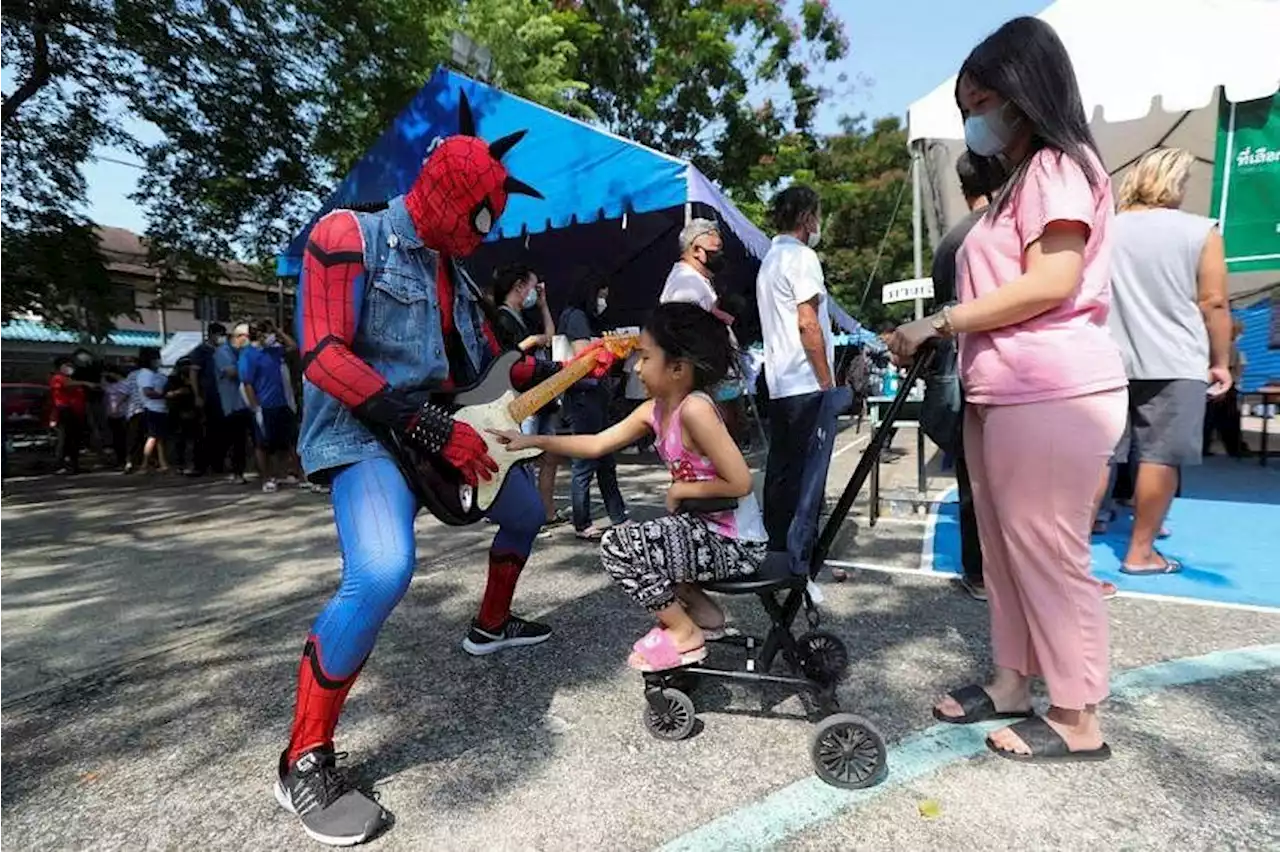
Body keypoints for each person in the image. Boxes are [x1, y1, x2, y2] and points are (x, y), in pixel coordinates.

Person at [279, 99, 610, 844]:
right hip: (362, 436)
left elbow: (487, 367)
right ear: (453, 195)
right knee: (383, 568)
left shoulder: (453, 276)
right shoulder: (346, 235)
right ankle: (303, 755)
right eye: (479, 217)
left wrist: (563, 367)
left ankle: (490, 626)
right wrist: (430, 426)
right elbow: (324, 357)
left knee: (526, 512)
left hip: (437, 438)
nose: (481, 236)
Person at [886, 17, 1127, 763]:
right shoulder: (1023, 176)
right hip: (1004, 387)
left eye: (985, 98)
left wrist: (941, 322)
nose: (975, 117)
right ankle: (1012, 681)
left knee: (1046, 550)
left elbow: (1052, 281)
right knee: (1001, 545)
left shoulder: (1060, 166)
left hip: (1050, 386)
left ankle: (1078, 714)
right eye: (967, 103)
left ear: (1026, 93)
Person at [490, 302, 766, 669]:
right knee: (648, 547)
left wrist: (683, 490)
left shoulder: (695, 409)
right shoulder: (653, 410)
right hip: (704, 532)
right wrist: (535, 442)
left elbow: (741, 482)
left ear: (678, 369)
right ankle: (706, 617)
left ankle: (684, 632)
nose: (635, 367)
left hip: (736, 543)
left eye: (646, 358)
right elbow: (597, 443)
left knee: (619, 547)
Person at [1100, 147, 1234, 575]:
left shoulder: (1104, 231)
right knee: (1160, 455)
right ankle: (1140, 552)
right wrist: (1221, 361)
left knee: (1099, 455)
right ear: (1174, 183)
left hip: (1107, 357)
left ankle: (1072, 554)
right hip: (1176, 360)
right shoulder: (1201, 231)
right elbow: (1213, 301)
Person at [930, 152, 1004, 601]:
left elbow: (944, 314)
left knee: (974, 477)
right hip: (1008, 371)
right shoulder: (1004, 231)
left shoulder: (950, 242)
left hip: (965, 372)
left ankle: (978, 570)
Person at [756, 184, 835, 551]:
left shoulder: (769, 262)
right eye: (817, 215)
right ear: (806, 218)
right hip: (806, 382)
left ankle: (776, 545)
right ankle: (804, 551)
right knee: (809, 474)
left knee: (782, 470)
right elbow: (808, 323)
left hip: (780, 383)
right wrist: (827, 382)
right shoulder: (802, 258)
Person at [490, 264, 564, 524]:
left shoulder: (526, 316)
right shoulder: (501, 317)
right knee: (523, 456)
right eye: (534, 287)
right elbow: (505, 358)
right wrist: (532, 341)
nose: (535, 293)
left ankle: (547, 510)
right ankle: (522, 510)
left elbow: (550, 337)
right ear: (519, 287)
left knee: (549, 455)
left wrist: (543, 305)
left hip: (542, 393)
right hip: (521, 397)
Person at [559, 272, 628, 540]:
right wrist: (612, 349)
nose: (603, 301)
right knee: (586, 460)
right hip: (583, 397)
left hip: (595, 396)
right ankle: (582, 522)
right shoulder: (575, 317)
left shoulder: (583, 317)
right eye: (601, 295)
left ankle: (618, 515)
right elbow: (585, 357)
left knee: (605, 459)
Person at [239, 321, 296, 493]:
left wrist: (278, 330)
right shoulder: (248, 355)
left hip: (281, 402)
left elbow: (293, 346)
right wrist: (255, 408)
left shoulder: (273, 351)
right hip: (264, 406)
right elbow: (247, 383)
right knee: (262, 444)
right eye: (266, 332)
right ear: (258, 335)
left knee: (286, 441)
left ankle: (281, 473)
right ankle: (267, 478)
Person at [1204, 317, 1247, 457]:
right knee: (1227, 419)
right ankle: (1234, 448)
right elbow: (1227, 369)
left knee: (1211, 419)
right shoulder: (1229, 348)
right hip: (1225, 387)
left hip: (1215, 387)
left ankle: (1206, 447)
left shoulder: (1216, 346)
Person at [216, 323, 253, 484]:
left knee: (245, 440)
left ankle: (245, 469)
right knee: (235, 440)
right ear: (238, 337)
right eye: (246, 336)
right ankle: (236, 472)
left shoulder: (244, 352)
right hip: (232, 403)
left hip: (247, 402)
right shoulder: (223, 352)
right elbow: (232, 372)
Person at [190, 323, 228, 476]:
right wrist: (197, 395)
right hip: (207, 396)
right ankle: (200, 465)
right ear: (212, 334)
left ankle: (218, 463)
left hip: (222, 397)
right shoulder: (201, 351)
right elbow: (193, 374)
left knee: (220, 433)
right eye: (220, 334)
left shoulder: (223, 352)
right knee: (204, 433)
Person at [49, 356, 93, 475]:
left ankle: (74, 465)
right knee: (64, 439)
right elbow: (67, 385)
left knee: (75, 440)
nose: (70, 368)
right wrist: (85, 383)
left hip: (75, 412)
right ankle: (60, 465)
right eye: (67, 365)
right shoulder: (58, 378)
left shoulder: (70, 379)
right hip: (64, 411)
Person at [136, 347, 171, 473]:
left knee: (159, 437)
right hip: (152, 409)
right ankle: (144, 464)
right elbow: (148, 392)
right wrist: (164, 395)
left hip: (161, 409)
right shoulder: (145, 374)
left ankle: (163, 463)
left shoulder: (157, 374)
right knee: (153, 437)